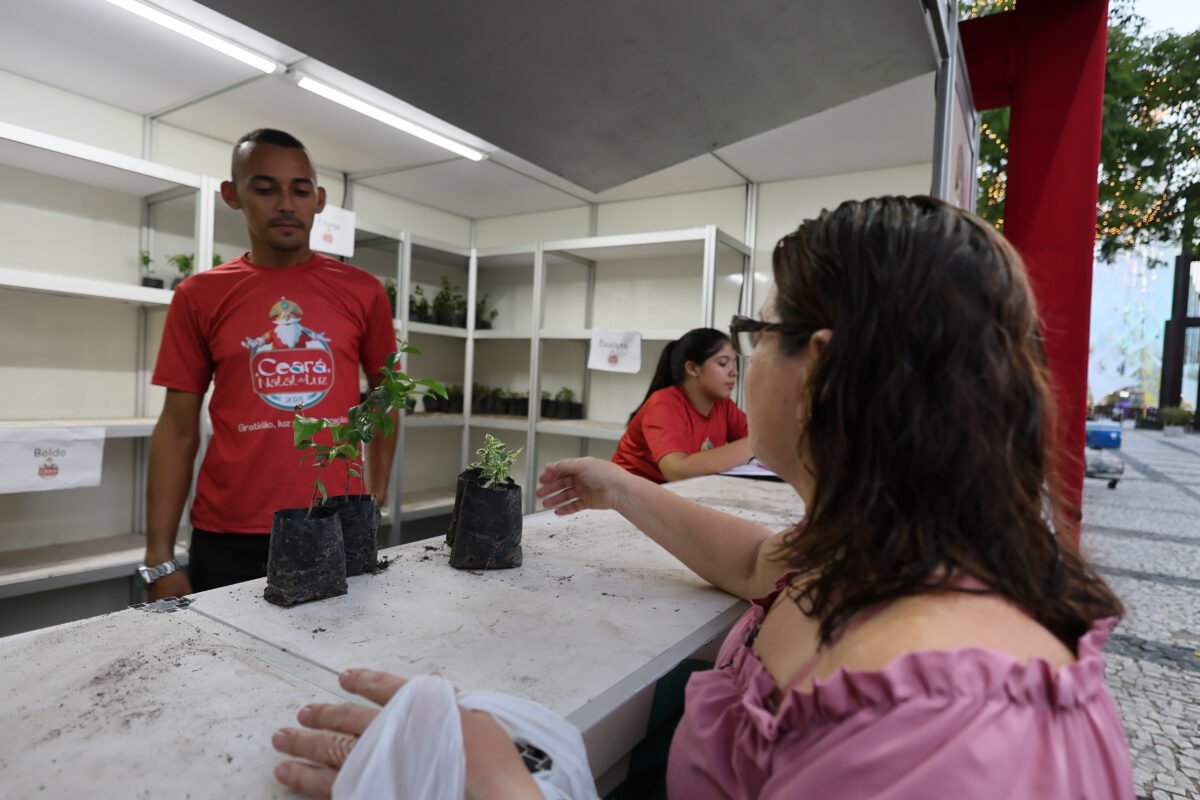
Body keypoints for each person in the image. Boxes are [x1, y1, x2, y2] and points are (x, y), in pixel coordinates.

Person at [271, 196, 1134, 798]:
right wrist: (618, 488)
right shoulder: (884, 549)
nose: (741, 362)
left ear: (822, 367)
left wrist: (494, 783)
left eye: (757, 336)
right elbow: (758, 560)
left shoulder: (946, 736)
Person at [139, 129, 398, 601]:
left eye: (300, 190)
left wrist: (374, 494)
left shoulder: (363, 291)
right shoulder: (199, 296)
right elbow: (177, 428)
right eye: (265, 188)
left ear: (319, 200)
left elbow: (385, 396)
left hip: (335, 520)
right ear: (232, 195)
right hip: (229, 532)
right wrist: (159, 561)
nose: (285, 203)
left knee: (339, 658)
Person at [611, 328, 752, 482]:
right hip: (626, 496)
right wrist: (754, 445)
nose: (734, 372)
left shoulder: (723, 405)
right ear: (692, 369)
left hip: (676, 494)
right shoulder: (663, 405)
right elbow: (676, 471)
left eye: (734, 363)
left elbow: (759, 439)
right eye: (723, 363)